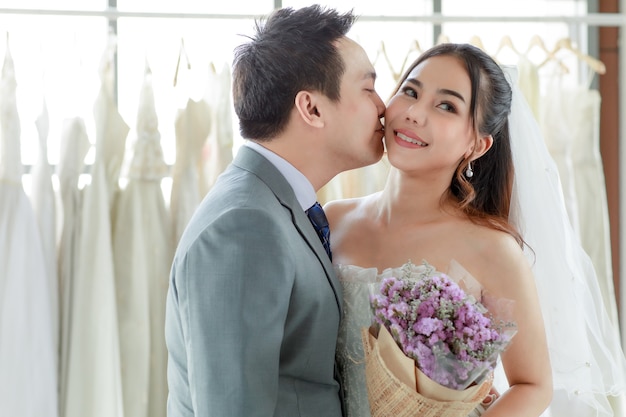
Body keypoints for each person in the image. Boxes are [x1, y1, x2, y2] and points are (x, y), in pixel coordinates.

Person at [327, 42, 626, 417]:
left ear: (477, 145)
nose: (415, 113)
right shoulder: (332, 218)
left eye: (446, 106)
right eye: (411, 91)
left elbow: (533, 386)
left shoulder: (492, 249)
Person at [164, 4, 385, 417]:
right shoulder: (244, 225)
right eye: (369, 89)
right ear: (312, 108)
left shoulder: (278, 205)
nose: (384, 106)